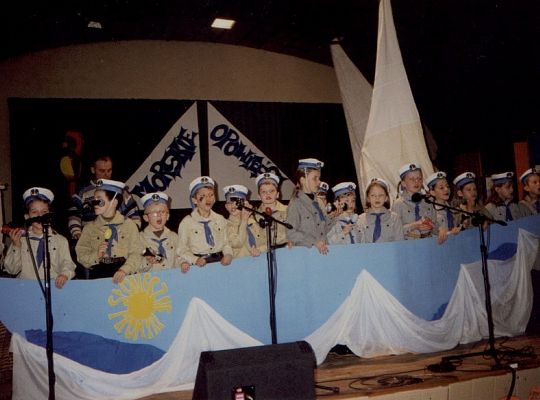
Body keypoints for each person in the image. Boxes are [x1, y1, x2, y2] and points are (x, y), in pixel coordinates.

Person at [4, 187, 75, 288]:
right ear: (27, 216)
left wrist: (65, 274)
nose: (40, 215)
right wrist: (16, 246)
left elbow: (67, 263)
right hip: (25, 288)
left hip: (52, 287)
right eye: (34, 212)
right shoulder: (21, 239)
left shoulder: (60, 240)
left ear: (50, 215)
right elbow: (12, 269)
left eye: (44, 212)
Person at [75, 179, 144, 283]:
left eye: (100, 200)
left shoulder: (129, 225)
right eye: (94, 199)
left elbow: (136, 253)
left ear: (114, 202)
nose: (95, 203)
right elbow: (81, 254)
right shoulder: (90, 228)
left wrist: (124, 270)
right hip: (98, 273)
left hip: (124, 273)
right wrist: (96, 255)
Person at [68, 155, 140, 241]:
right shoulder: (82, 192)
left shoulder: (121, 191)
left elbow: (134, 215)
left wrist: (132, 233)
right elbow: (73, 215)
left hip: (119, 239)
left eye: (109, 170)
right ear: (93, 170)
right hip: (92, 239)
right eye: (102, 171)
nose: (106, 174)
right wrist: (77, 233)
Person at [177, 176, 233, 273]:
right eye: (203, 196)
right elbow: (181, 249)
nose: (208, 199)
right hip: (199, 265)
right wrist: (195, 260)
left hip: (220, 263)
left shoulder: (220, 219)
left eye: (211, 195)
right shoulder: (186, 223)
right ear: (194, 200)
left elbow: (226, 243)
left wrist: (228, 254)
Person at [286, 158, 335, 254]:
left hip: (322, 252)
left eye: (319, 178)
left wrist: (333, 217)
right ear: (303, 180)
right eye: (315, 178)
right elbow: (291, 233)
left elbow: (323, 230)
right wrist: (313, 242)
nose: (319, 182)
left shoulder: (317, 202)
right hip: (306, 255)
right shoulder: (296, 204)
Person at [392, 163, 444, 243]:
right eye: (412, 179)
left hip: (429, 242)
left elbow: (435, 227)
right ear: (403, 183)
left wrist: (436, 228)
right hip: (408, 245)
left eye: (419, 179)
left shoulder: (428, 201)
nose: (416, 182)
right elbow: (394, 231)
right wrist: (414, 226)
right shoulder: (398, 204)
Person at [140, 192, 179, 271]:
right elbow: (134, 265)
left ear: (167, 216)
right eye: (154, 213)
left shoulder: (174, 237)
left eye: (162, 212)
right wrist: (147, 261)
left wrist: (183, 263)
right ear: (145, 218)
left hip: (174, 279)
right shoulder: (139, 239)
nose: (159, 215)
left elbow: (180, 257)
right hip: (151, 280)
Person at [251, 172, 290, 252]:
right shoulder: (254, 216)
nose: (268, 194)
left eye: (271, 191)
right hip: (264, 252)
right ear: (259, 196)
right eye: (264, 192)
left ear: (278, 194)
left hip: (287, 250)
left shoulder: (288, 210)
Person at [358, 178, 404, 243]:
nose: (377, 198)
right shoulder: (360, 220)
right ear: (368, 198)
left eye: (381, 195)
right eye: (373, 195)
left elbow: (400, 242)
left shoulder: (394, 218)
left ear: (386, 198)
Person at [223, 184, 260, 258]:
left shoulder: (253, 221)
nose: (233, 206)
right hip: (240, 263)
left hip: (259, 259)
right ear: (226, 207)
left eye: (236, 203)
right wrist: (244, 220)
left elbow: (264, 240)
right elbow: (237, 243)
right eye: (229, 203)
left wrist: (260, 249)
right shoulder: (225, 224)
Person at [426, 171, 461, 239]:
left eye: (447, 186)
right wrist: (449, 232)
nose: (446, 189)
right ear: (432, 192)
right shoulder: (430, 212)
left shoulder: (454, 209)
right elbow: (431, 231)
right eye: (441, 188)